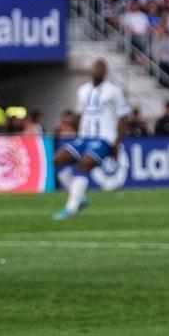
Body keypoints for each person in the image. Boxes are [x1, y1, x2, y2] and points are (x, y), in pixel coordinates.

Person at [52, 59, 129, 221]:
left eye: (101, 68)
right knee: (58, 159)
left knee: (84, 164)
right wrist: (69, 126)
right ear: (92, 69)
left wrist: (117, 144)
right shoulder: (83, 90)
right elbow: (79, 114)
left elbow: (123, 118)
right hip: (84, 137)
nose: (98, 70)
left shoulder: (113, 91)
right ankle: (80, 197)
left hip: (104, 138)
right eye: (96, 67)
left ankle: (71, 208)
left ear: (105, 72)